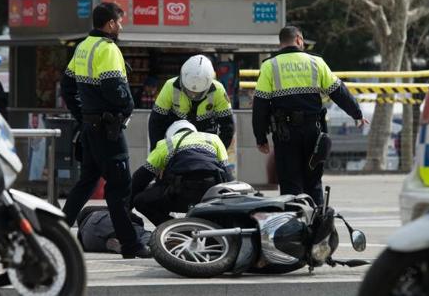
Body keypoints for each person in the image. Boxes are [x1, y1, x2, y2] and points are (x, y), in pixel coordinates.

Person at [60, 2, 150, 258]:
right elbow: (116, 90)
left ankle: (56, 234)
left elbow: (66, 87)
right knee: (120, 187)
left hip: (90, 129)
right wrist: (128, 107)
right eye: (119, 22)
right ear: (110, 24)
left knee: (86, 183)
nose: (121, 26)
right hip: (108, 132)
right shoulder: (109, 49)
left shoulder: (82, 47)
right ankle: (131, 245)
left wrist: (83, 117)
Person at [252, 26, 369, 205]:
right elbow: (338, 91)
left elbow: (260, 105)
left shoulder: (269, 66)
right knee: (313, 182)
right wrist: (357, 114)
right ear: (299, 39)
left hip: (285, 135)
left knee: (290, 186)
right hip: (313, 132)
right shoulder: (316, 63)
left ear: (281, 43)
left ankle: (295, 227)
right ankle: (317, 227)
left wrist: (261, 138)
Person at [132, 120, 233, 226]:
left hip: (181, 192)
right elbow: (227, 172)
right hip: (211, 192)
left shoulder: (166, 143)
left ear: (170, 134)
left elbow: (140, 177)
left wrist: (126, 206)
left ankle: (173, 230)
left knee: (141, 200)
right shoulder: (213, 138)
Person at [148, 55, 234, 151]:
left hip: (206, 140)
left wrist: (219, 151)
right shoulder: (169, 86)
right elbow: (156, 122)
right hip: (175, 138)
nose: (193, 95)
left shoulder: (219, 90)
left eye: (198, 93)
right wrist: (156, 150)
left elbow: (228, 126)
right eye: (189, 91)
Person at [76, 206, 151, 254]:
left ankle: (114, 243)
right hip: (100, 218)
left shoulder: (85, 216)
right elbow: (128, 214)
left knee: (104, 242)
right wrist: (138, 225)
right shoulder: (104, 209)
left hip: (87, 238)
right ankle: (145, 247)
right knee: (144, 233)